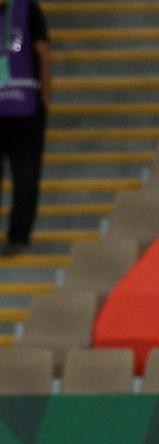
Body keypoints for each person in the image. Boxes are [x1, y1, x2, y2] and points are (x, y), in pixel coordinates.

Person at [0, 0, 50, 257]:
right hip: (23, 106)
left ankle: (19, 236)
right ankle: (18, 237)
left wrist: (45, 96)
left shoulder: (27, 9)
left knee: (25, 176)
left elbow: (43, 52)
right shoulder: (27, 9)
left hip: (24, 110)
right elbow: (43, 52)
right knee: (25, 175)